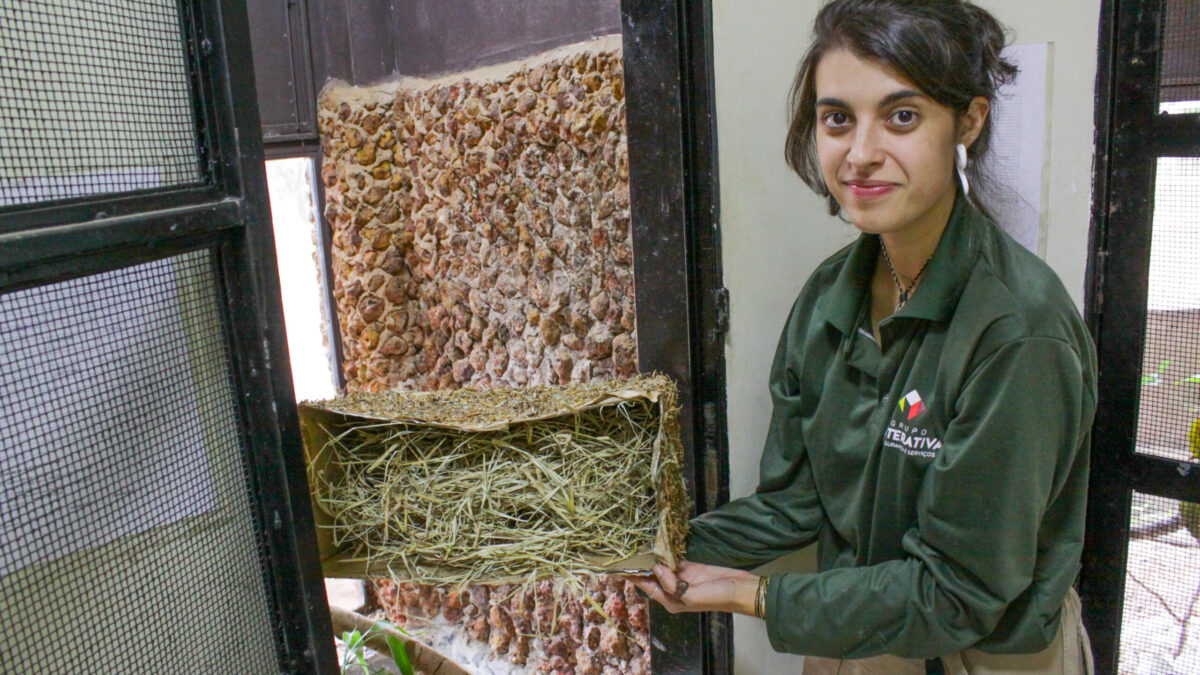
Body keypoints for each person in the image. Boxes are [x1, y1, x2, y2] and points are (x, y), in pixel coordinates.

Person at [630, 1, 1098, 673]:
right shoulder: (829, 298)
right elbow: (794, 502)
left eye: (901, 116)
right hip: (853, 634)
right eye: (837, 118)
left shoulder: (1017, 331)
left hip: (987, 651)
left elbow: (959, 593)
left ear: (968, 120)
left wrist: (757, 595)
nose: (861, 153)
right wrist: (657, 543)